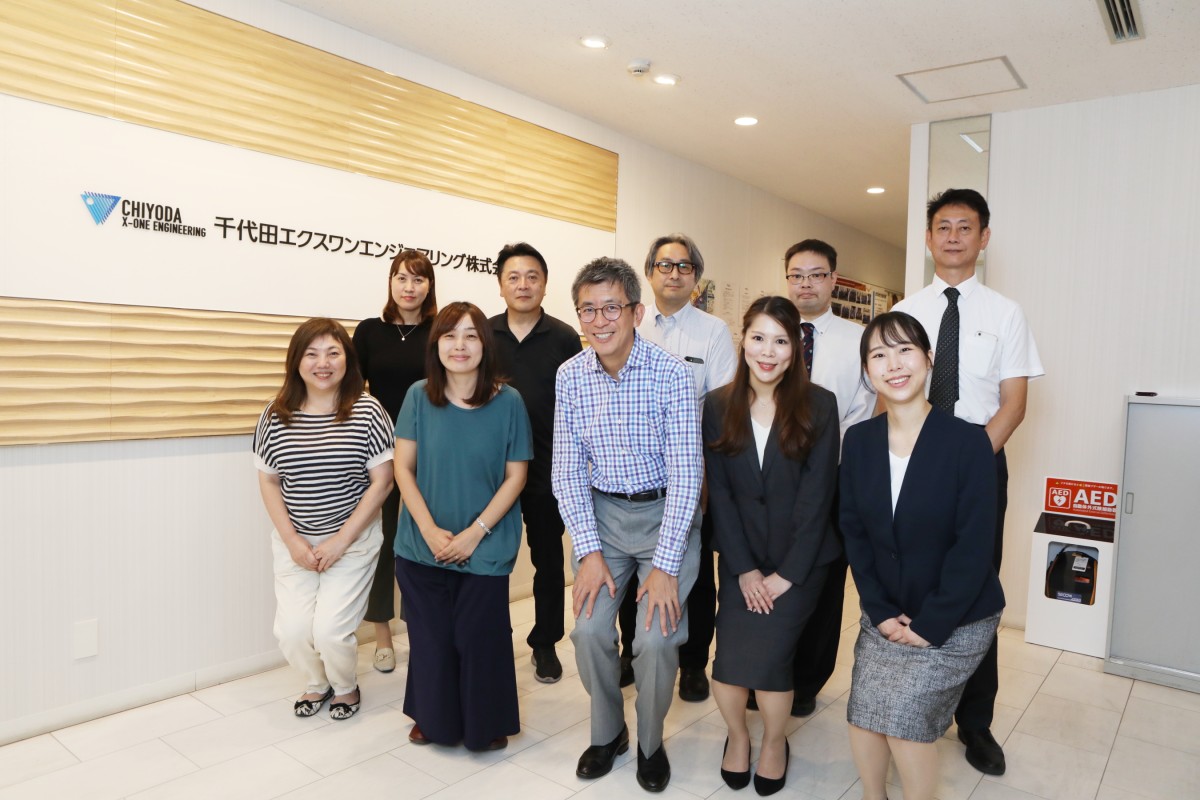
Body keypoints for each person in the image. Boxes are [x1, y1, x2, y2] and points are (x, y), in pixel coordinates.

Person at [893, 188, 1043, 776]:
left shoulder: (1005, 313)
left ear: (983, 238)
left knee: (975, 589)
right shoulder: (907, 311)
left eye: (965, 226)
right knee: (914, 582)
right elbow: (890, 391)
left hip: (981, 462)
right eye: (943, 226)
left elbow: (1014, 403)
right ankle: (912, 703)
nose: (953, 236)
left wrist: (970, 466)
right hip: (911, 461)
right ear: (928, 238)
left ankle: (975, 722)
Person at [553, 257, 702, 793]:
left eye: (611, 307)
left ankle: (650, 742)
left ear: (636, 312)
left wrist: (665, 565)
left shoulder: (672, 374)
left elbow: (687, 474)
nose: (600, 321)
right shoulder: (570, 375)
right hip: (603, 518)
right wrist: (589, 552)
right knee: (589, 629)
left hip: (666, 515)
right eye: (587, 310)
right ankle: (609, 730)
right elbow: (566, 471)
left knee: (657, 640)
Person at [841, 311, 1004, 800]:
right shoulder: (859, 442)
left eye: (905, 350)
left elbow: (975, 546)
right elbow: (855, 534)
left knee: (905, 720)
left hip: (958, 614)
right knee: (864, 713)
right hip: (887, 610)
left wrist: (930, 623)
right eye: (878, 354)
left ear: (929, 359)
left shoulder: (969, 442)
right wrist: (880, 612)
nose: (893, 364)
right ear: (867, 371)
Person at [703, 296, 840, 795]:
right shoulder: (718, 404)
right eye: (758, 338)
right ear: (743, 341)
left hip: (799, 563)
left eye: (780, 341)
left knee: (771, 663)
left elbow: (818, 496)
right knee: (728, 664)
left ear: (795, 349)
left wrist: (786, 575)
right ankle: (739, 736)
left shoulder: (820, 404)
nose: (768, 351)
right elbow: (720, 493)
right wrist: (743, 569)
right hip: (741, 559)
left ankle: (775, 742)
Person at [392, 301, 532, 752]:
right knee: (431, 639)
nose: (460, 345)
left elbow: (516, 476)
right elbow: (402, 469)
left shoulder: (509, 402)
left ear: (485, 345)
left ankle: (484, 721)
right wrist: (430, 530)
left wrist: (475, 533)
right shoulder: (418, 396)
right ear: (436, 344)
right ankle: (432, 717)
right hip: (422, 543)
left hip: (486, 543)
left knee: (478, 638)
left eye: (471, 335)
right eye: (450, 335)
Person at [253, 318, 394, 721]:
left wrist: (339, 542)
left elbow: (383, 482)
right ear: (296, 361)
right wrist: (293, 542)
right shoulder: (276, 414)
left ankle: (346, 687)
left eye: (333, 353)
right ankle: (318, 682)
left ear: (347, 359)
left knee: (331, 631)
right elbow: (269, 481)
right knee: (292, 632)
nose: (323, 363)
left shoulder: (367, 410)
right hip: (295, 541)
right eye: (312, 354)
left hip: (352, 541)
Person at [621, 233, 735, 703]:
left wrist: (705, 474)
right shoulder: (630, 324)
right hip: (633, 471)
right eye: (665, 265)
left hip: (694, 470)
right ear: (649, 273)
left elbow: (723, 404)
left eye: (684, 266)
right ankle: (631, 651)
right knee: (632, 567)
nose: (674, 274)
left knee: (695, 572)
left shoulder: (714, 332)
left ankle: (692, 663)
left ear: (696, 278)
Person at [782, 238, 873, 717]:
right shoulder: (771, 332)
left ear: (833, 279)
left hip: (833, 477)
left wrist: (823, 457)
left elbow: (864, 408)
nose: (806, 284)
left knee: (823, 580)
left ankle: (807, 682)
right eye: (796, 275)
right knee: (773, 575)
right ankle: (769, 669)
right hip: (774, 479)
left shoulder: (858, 339)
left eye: (816, 275)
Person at [489, 242, 582, 683]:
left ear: (545, 284)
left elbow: (578, 405)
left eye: (532, 277)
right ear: (500, 285)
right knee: (491, 557)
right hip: (494, 470)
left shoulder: (564, 338)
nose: (523, 285)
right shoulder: (483, 334)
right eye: (514, 277)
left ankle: (545, 643)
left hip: (548, 467)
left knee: (547, 559)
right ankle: (492, 637)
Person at [352, 248, 438, 674]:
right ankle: (382, 636)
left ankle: (424, 631)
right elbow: (352, 392)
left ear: (429, 286)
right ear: (390, 282)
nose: (409, 287)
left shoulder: (440, 332)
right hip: (381, 453)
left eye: (418, 279)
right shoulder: (370, 331)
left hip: (430, 449)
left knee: (424, 540)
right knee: (382, 542)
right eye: (402, 278)